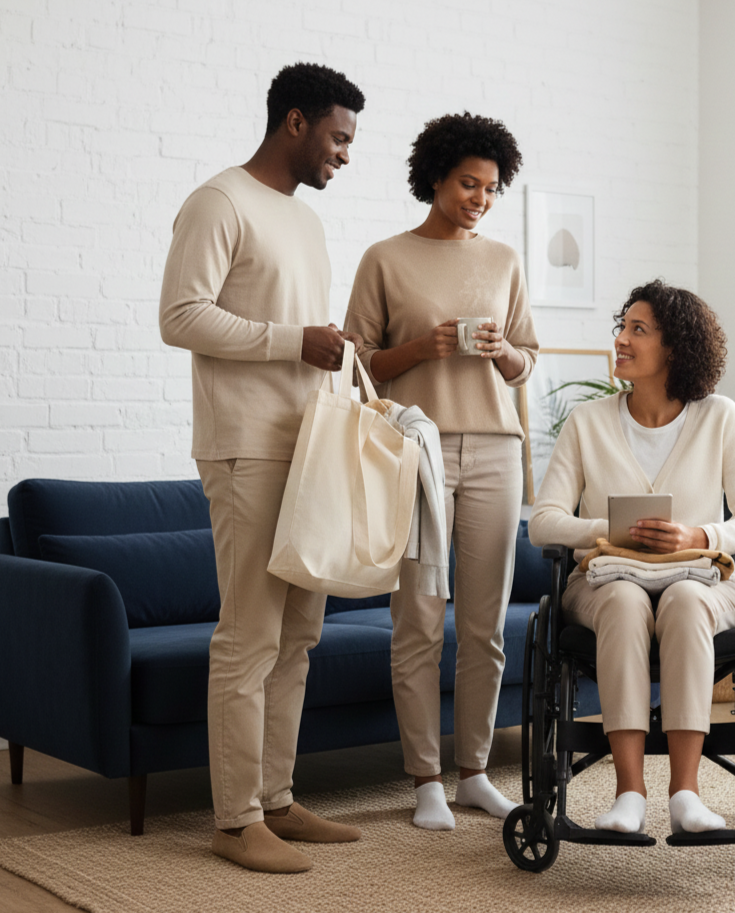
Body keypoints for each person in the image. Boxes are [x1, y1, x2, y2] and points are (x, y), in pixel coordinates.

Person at [159, 62, 366, 873]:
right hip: (245, 447)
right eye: (338, 137)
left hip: (309, 447)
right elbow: (180, 316)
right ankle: (234, 818)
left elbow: (303, 337)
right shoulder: (218, 202)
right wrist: (292, 339)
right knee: (249, 636)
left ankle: (275, 798)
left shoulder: (304, 222)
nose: (344, 154)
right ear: (295, 122)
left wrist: (339, 368)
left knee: (300, 634)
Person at [344, 112, 539, 831]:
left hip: (495, 448)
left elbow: (527, 358)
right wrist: (421, 348)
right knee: (419, 619)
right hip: (413, 451)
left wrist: (500, 353)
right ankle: (424, 776)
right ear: (433, 177)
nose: (480, 199)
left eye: (491, 188)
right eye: (468, 183)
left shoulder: (505, 261)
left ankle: (475, 772)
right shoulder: (384, 259)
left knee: (484, 626)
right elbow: (356, 363)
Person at [529, 280, 735, 835]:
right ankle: (629, 795)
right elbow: (543, 521)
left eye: (637, 330)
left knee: (687, 600)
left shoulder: (720, 418)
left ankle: (686, 796)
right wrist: (614, 533)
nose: (620, 339)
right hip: (605, 580)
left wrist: (699, 534)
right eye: (622, 327)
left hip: (700, 580)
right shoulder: (587, 421)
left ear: (675, 347)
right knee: (621, 599)